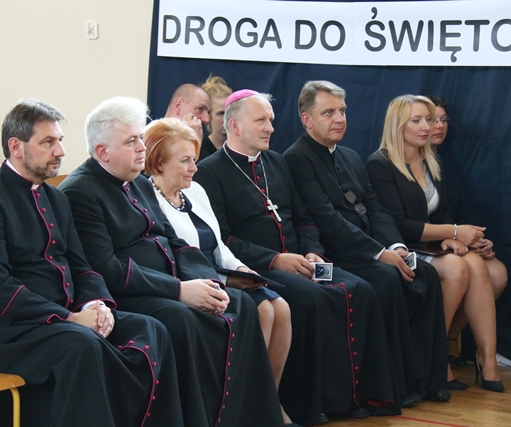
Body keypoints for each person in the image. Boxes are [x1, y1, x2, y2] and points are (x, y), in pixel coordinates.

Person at [0, 99, 184, 427]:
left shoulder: (56, 198)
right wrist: (69, 317)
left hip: (62, 319)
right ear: (16, 147)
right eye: (48, 142)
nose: (60, 151)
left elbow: (81, 266)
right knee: (81, 344)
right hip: (7, 331)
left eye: (59, 140)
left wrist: (97, 304)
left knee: (151, 328)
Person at [60, 96, 284, 427]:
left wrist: (208, 281)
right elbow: (108, 269)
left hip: (169, 283)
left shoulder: (138, 181)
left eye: (141, 138)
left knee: (241, 303)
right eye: (132, 141)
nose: (142, 148)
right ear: (103, 151)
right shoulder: (80, 192)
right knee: (184, 319)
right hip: (131, 294)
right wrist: (180, 290)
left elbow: (174, 241)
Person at [194, 90, 401, 426]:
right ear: (235, 125)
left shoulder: (276, 162)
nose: (271, 127)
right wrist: (276, 260)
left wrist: (311, 250)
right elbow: (224, 240)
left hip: (300, 259)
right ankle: (311, 403)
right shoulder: (209, 171)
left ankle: (354, 396)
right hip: (257, 267)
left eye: (271, 120)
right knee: (312, 300)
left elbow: (304, 218)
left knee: (360, 289)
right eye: (261, 120)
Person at [283, 80, 448, 403]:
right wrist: (379, 254)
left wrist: (397, 247)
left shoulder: (350, 155)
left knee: (425, 273)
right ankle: (395, 386)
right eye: (329, 112)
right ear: (307, 119)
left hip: (371, 247)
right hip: (338, 252)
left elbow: (375, 209)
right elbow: (327, 220)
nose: (339, 119)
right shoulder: (297, 158)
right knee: (387, 278)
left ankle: (428, 379)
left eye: (342, 111)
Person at [143, 117, 295, 425]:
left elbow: (217, 244)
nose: (194, 168)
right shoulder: (148, 197)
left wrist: (241, 268)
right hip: (193, 279)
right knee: (263, 310)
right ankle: (241, 408)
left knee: (282, 308)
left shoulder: (195, 191)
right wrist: (227, 277)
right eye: (184, 161)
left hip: (220, 271)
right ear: (158, 162)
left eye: (194, 159)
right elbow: (174, 256)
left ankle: (267, 402)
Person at [365, 94, 506, 393]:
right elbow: (397, 224)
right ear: (398, 125)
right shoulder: (380, 164)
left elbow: (442, 213)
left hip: (429, 244)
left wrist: (451, 238)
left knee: (477, 264)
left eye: (428, 120)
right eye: (416, 120)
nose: (426, 127)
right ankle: (435, 357)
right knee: (457, 268)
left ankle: (488, 359)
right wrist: (453, 233)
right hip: (402, 247)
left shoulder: (430, 159)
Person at [427, 95, 508, 367]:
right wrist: (452, 236)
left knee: (498, 273)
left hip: (455, 240)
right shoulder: (401, 162)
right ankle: (437, 350)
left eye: (443, 120)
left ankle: (452, 336)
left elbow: (465, 211)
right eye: (431, 120)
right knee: (468, 269)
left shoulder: (447, 161)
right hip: (427, 243)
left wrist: (478, 240)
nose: (439, 126)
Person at [199, 76, 232, 160]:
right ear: (208, 115)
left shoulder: (243, 149)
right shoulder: (199, 151)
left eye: (230, 111)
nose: (228, 118)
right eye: (221, 113)